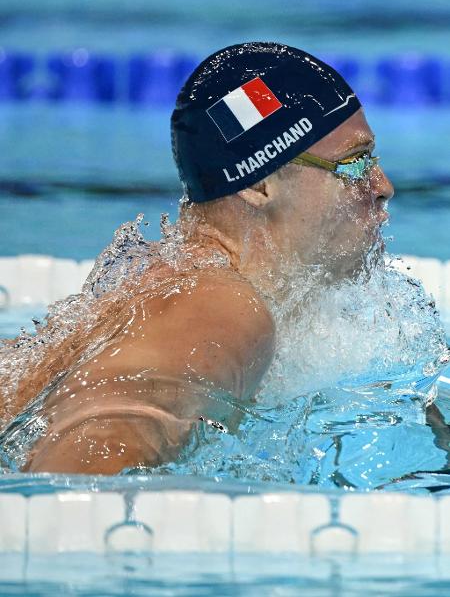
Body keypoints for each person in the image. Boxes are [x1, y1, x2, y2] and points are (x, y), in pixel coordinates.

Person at [0, 42, 393, 474]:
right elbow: (79, 473)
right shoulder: (222, 308)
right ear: (260, 185)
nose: (382, 185)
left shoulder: (180, 284)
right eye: (354, 164)